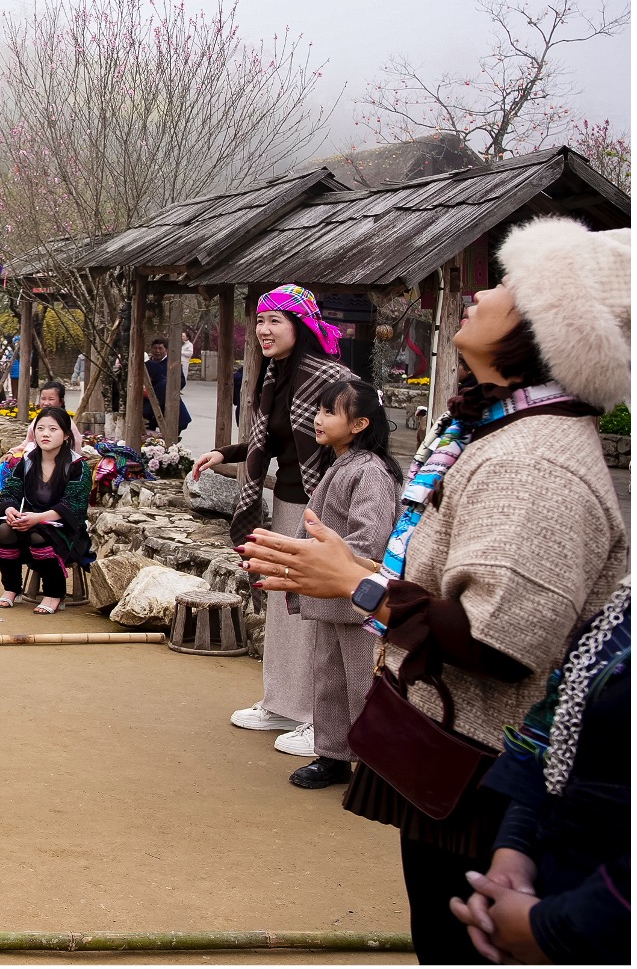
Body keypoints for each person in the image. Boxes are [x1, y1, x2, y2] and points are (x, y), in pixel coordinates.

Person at [238, 217, 628, 963]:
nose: (482, 292)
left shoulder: (537, 462)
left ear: (546, 328)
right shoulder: (500, 433)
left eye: (508, 286)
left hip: (480, 777)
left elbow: (500, 642)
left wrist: (359, 584)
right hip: (459, 761)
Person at [189, 285, 356, 759]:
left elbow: (356, 441)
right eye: (260, 320)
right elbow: (274, 440)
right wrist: (224, 452)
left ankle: (320, 718)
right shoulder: (275, 373)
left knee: (317, 609)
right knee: (283, 605)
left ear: (300, 325)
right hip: (287, 503)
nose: (263, 329)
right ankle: (284, 703)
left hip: (325, 510)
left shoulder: (333, 378)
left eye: (275, 320)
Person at [452, 578, 629, 964]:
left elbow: (502, 648)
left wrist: (554, 929)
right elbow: (554, 737)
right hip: (553, 887)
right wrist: (513, 854)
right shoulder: (624, 610)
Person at [283, 378, 401, 790]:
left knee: (364, 684)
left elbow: (370, 538)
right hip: (331, 596)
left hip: (358, 599)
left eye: (329, 412)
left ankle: (374, 765)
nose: (318, 419)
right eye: (319, 410)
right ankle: (332, 755)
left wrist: (317, 561)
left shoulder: (370, 472)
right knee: (329, 678)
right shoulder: (343, 463)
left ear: (359, 424)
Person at [0, 406, 90, 614]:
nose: (45, 434)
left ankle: (54, 593)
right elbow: (11, 491)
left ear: (66, 435)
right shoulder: (27, 461)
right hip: (30, 521)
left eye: (53, 429)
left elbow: (73, 505)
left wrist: (39, 518)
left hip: (65, 530)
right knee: (4, 530)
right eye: (40, 428)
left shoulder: (77, 466)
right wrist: (10, 510)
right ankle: (12, 588)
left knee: (38, 536)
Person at [141, 337, 191, 433]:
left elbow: (181, 382)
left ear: (166, 350)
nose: (157, 351)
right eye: (155, 348)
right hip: (152, 409)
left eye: (160, 348)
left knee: (170, 435)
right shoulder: (147, 364)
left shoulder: (173, 364)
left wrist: (164, 385)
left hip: (169, 407)